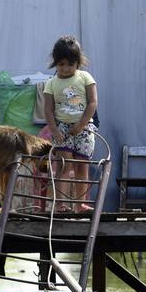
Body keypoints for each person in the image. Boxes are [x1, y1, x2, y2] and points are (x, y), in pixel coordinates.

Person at [42, 35, 98, 212]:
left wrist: (81, 124)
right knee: (64, 166)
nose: (65, 69)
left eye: (70, 64)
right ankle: (60, 204)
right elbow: (48, 110)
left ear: (78, 63)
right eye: (61, 64)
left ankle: (80, 204)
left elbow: (92, 102)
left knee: (82, 167)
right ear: (55, 63)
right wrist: (54, 130)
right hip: (62, 130)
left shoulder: (85, 78)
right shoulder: (51, 83)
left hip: (84, 128)